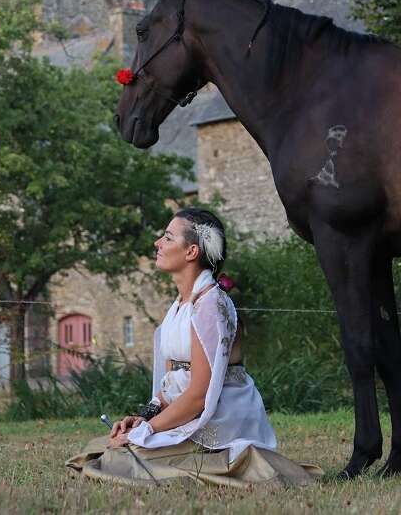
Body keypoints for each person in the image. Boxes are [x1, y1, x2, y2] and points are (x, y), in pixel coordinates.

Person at [66, 208, 321, 488]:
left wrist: (147, 431)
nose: (157, 243)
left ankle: (231, 460)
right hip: (189, 412)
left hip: (220, 420)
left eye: (167, 238)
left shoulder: (211, 306)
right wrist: (142, 418)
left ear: (191, 252)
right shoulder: (179, 307)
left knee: (122, 459)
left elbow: (199, 396)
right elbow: (171, 383)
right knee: (101, 449)